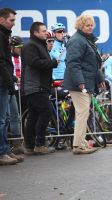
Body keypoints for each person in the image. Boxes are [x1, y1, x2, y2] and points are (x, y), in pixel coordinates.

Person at [63, 14, 105, 155]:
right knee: (82, 113)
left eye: (92, 24)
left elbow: (93, 64)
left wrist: (100, 79)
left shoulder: (86, 40)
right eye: (87, 25)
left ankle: (80, 143)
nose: (90, 27)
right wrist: (80, 82)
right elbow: (73, 64)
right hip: (80, 84)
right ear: (81, 26)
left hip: (84, 82)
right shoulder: (77, 40)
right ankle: (79, 145)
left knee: (83, 113)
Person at [22, 22, 59, 155]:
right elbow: (35, 63)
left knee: (33, 116)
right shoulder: (30, 45)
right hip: (35, 87)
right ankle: (39, 144)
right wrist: (53, 63)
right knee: (45, 113)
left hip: (39, 86)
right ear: (35, 33)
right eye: (43, 31)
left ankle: (29, 146)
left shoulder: (39, 45)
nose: (46, 32)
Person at [0, 8, 24, 165]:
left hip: (5, 81)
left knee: (6, 119)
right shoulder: (1, 36)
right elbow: (1, 62)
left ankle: (6, 149)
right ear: (1, 20)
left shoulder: (4, 35)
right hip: (2, 83)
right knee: (2, 120)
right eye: (11, 20)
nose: (14, 24)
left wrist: (13, 77)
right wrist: (10, 83)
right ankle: (2, 152)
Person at [8, 36, 24, 154]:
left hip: (19, 90)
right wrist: (15, 79)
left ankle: (17, 143)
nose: (20, 49)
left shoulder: (22, 58)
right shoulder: (8, 57)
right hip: (9, 89)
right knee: (7, 118)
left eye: (21, 47)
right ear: (12, 47)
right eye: (18, 47)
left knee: (16, 116)